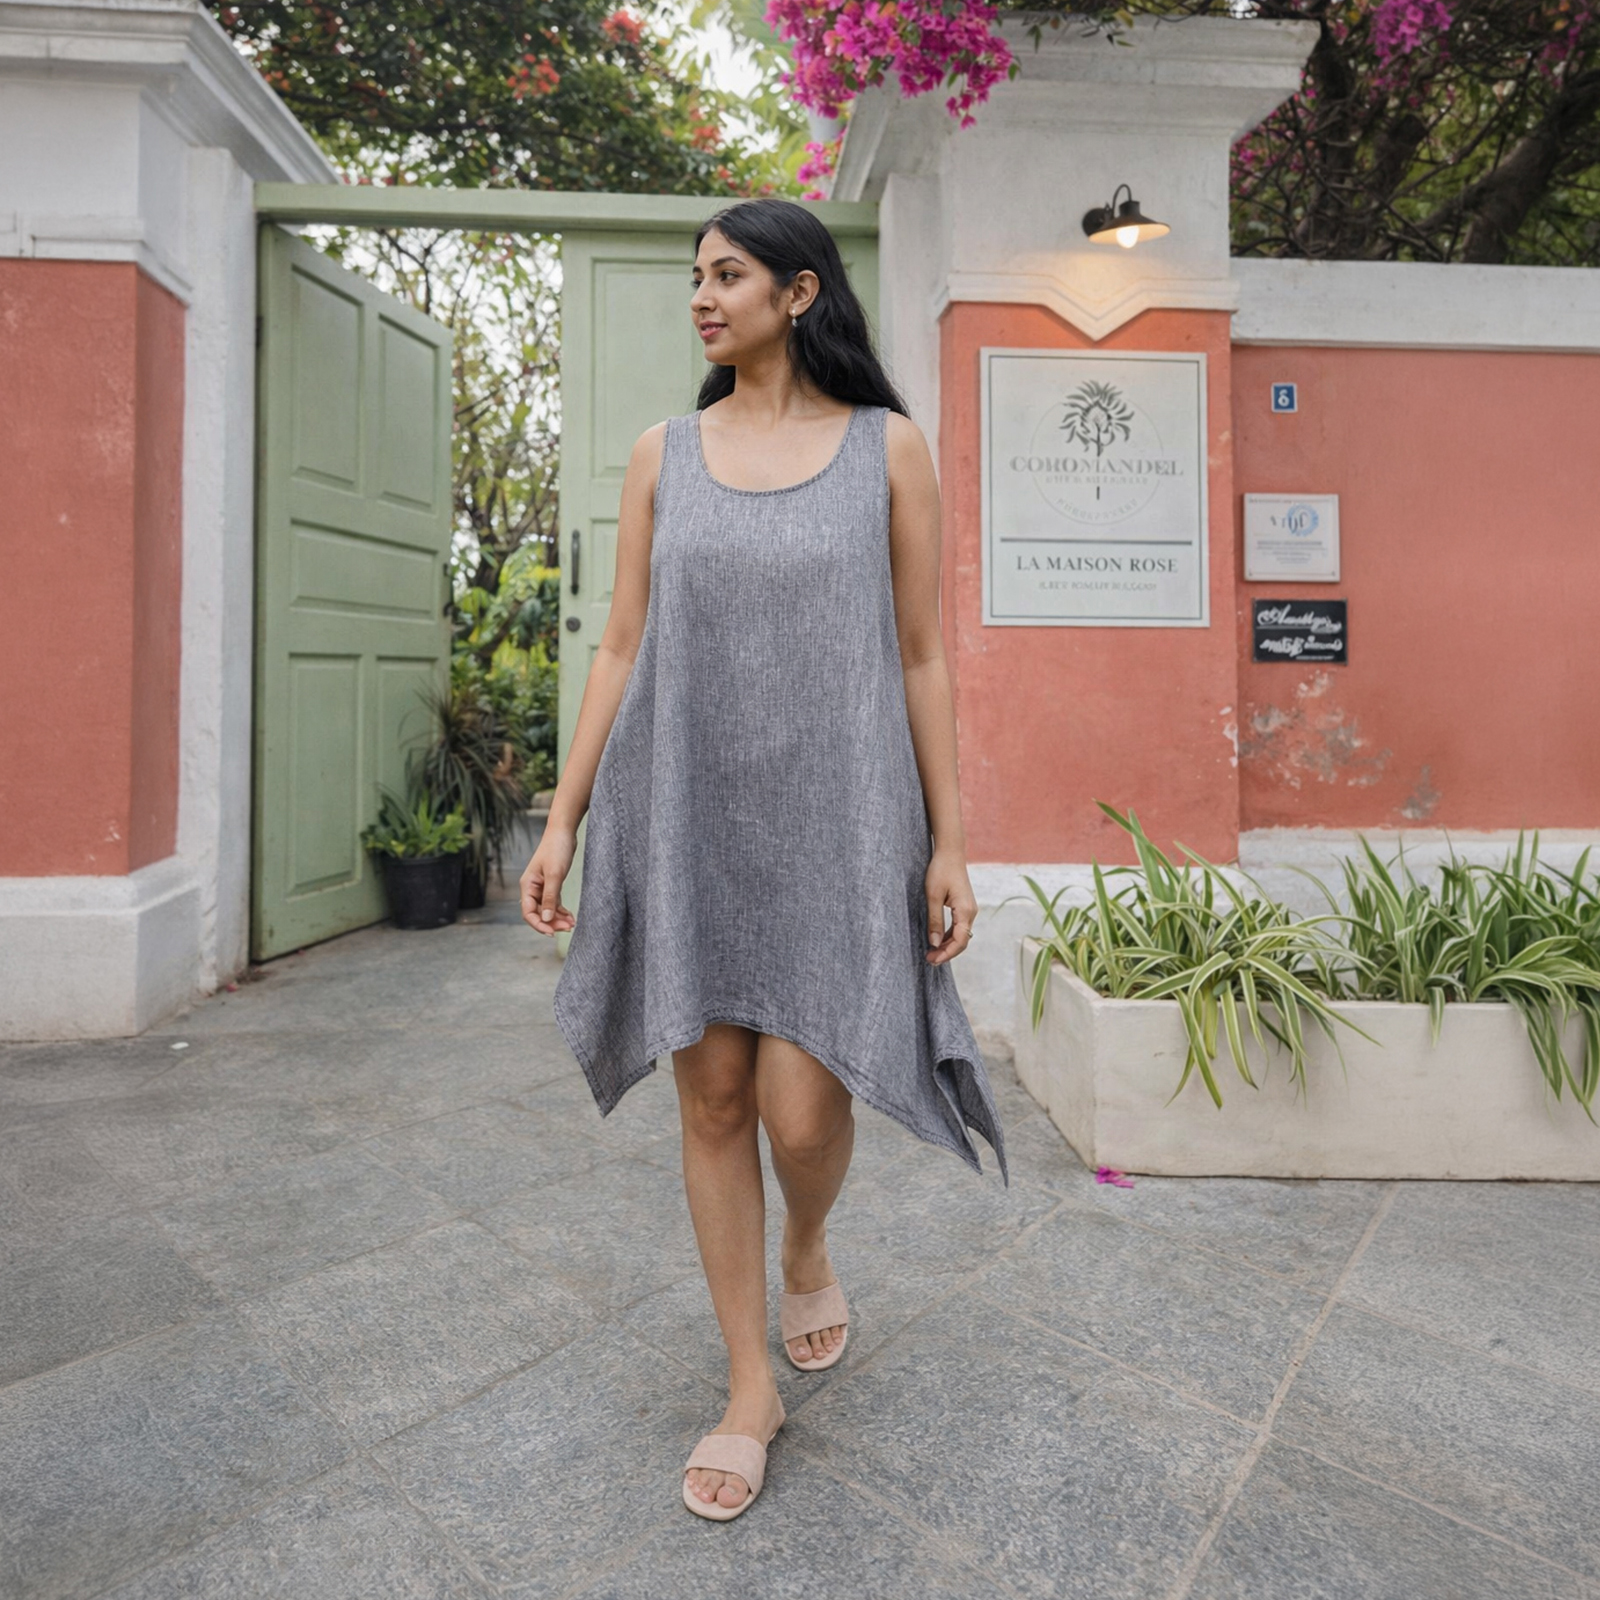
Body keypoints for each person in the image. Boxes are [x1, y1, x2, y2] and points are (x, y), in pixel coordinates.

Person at [520, 196, 1008, 1522]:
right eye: (695, 276)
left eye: (726, 275)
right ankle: (747, 1385)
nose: (701, 295)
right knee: (716, 1099)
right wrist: (563, 819)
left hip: (844, 821)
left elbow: (920, 653)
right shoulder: (661, 455)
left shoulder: (886, 449)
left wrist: (951, 839)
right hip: (685, 814)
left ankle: (810, 1239)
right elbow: (619, 644)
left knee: (804, 1106)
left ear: (798, 294)